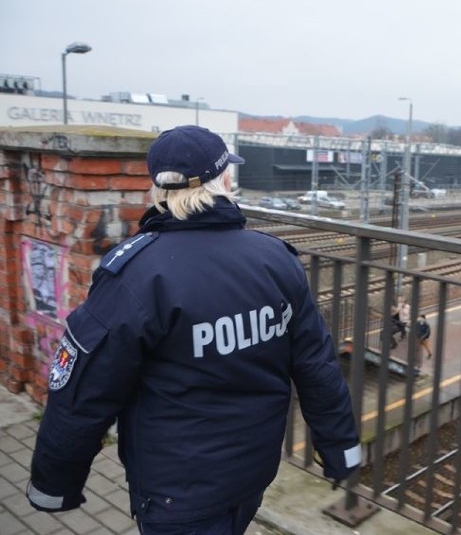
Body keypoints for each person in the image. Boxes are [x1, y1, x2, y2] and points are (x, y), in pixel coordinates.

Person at [26, 126, 361, 533]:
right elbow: (316, 365)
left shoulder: (136, 274)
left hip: (175, 491)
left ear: (158, 188)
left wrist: (54, 484)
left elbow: (83, 389)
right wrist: (341, 447)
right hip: (252, 472)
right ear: (223, 180)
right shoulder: (275, 259)